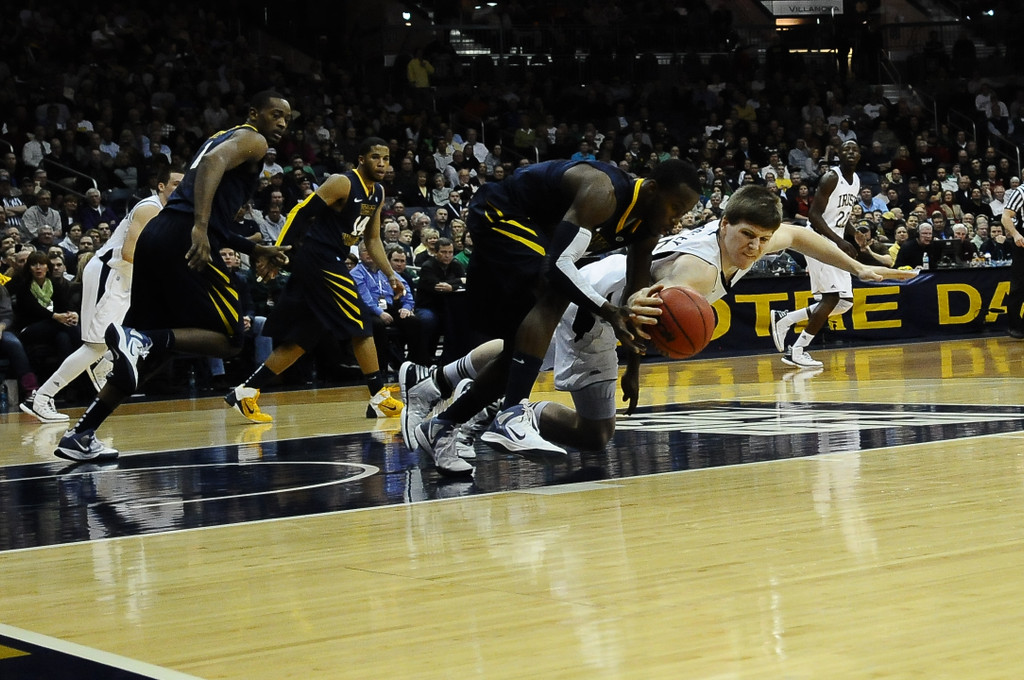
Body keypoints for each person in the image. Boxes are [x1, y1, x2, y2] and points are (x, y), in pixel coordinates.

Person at [400, 185, 917, 462]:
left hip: (603, 285)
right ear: (723, 226)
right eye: (746, 236)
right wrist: (634, 370)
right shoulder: (695, 276)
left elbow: (802, 235)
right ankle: (517, 417)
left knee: (532, 357)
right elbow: (639, 322)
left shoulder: (757, 239)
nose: (755, 247)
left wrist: (860, 266)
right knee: (592, 428)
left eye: (762, 238)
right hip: (599, 307)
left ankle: (435, 382)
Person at [410, 158, 702, 472]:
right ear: (652, 189)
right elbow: (558, 267)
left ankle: (441, 424)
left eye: (683, 214)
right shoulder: (603, 191)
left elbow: (634, 305)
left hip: (538, 236)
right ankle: (510, 415)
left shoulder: (646, 231)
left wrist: (633, 368)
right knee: (557, 291)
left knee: (519, 353)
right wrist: (605, 309)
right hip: (501, 209)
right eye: (675, 208)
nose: (676, 221)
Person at [53, 91, 293, 462]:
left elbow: (206, 197)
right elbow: (212, 167)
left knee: (148, 358)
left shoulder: (223, 136)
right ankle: (145, 339)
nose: (280, 124)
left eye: (286, 120)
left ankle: (82, 434)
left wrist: (253, 248)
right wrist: (199, 228)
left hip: (160, 236)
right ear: (253, 114)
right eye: (275, 115)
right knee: (231, 337)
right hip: (185, 239)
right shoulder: (252, 139)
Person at [224, 136, 405, 423]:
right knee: (361, 321)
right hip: (319, 258)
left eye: (385, 158)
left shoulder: (378, 193)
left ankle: (246, 392)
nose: (382, 163)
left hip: (331, 259)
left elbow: (372, 239)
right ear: (361, 159)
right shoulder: (342, 182)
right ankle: (379, 396)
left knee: (303, 336)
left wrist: (391, 274)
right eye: (375, 157)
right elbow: (299, 211)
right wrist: (276, 251)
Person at [27, 166, 186, 422]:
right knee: (94, 345)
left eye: (184, 184)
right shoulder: (150, 208)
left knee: (119, 336)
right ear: (160, 186)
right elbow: (128, 253)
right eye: (176, 184)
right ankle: (42, 397)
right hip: (109, 273)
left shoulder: (169, 213)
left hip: (126, 278)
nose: (181, 188)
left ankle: (103, 374)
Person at [770, 140, 863, 368]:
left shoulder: (857, 180)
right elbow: (814, 215)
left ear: (860, 155)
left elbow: (842, 214)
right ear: (838, 155)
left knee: (844, 303)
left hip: (834, 242)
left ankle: (786, 319)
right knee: (832, 298)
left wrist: (853, 233)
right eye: (846, 149)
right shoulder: (831, 178)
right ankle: (798, 349)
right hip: (819, 240)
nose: (851, 152)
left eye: (855, 150)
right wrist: (840, 241)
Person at [999, 184, 1024, 338]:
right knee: (1019, 286)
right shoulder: (1020, 192)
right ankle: (1015, 327)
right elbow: (1005, 216)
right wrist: (1015, 234)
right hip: (1022, 240)